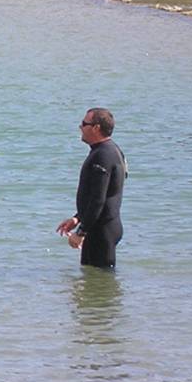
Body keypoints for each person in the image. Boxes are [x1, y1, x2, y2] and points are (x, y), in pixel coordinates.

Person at [56, 108, 127, 268]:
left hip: (102, 230)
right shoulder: (109, 150)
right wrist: (78, 218)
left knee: (102, 279)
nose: (80, 127)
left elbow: (98, 198)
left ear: (96, 128)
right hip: (101, 226)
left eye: (84, 123)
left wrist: (81, 232)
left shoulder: (103, 155)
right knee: (93, 278)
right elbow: (99, 195)